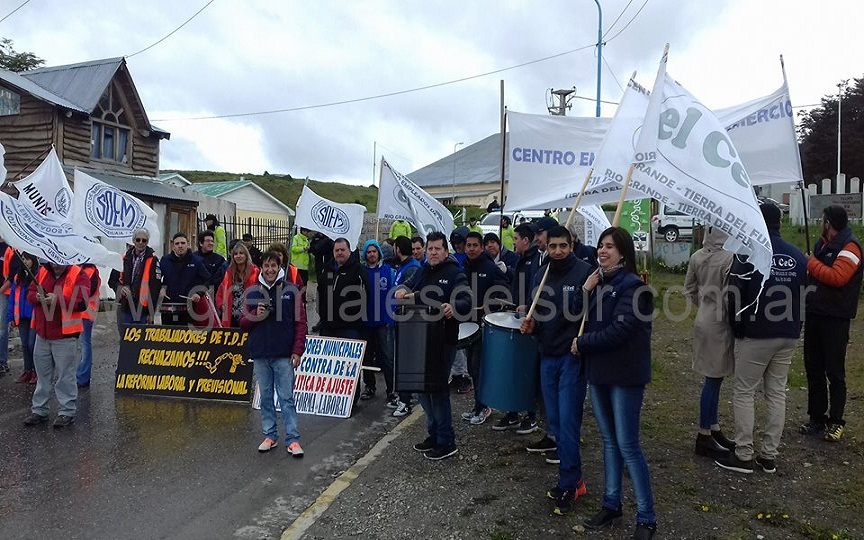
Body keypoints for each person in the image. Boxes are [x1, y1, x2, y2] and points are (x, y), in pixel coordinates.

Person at [574, 227, 657, 539]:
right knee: (609, 441)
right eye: (600, 246)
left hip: (625, 375)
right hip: (600, 374)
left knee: (628, 445)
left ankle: (647, 517)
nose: (602, 251)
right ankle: (612, 503)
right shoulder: (599, 283)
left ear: (624, 252)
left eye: (609, 246)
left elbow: (619, 332)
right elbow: (574, 315)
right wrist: (585, 289)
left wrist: (583, 344)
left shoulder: (635, 288)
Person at [716, 203, 806, 475]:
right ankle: (769, 456)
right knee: (776, 393)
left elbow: (733, 291)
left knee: (744, 391)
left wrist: (736, 326)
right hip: (788, 333)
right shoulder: (798, 256)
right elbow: (805, 293)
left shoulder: (749, 252)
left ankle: (744, 453)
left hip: (756, 333)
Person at [520, 226, 592, 515]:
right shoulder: (541, 274)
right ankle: (572, 479)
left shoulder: (586, 272)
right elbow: (538, 315)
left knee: (568, 422)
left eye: (564, 246)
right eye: (554, 247)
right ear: (546, 248)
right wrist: (531, 325)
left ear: (572, 245)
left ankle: (570, 482)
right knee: (555, 422)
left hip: (571, 357)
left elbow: (590, 313)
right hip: (547, 355)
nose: (559, 251)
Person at [395, 231, 472, 460]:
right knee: (422, 390)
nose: (433, 252)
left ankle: (447, 441)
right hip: (420, 339)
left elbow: (466, 300)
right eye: (430, 249)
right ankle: (434, 434)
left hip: (443, 341)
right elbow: (408, 287)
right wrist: (403, 291)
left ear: (446, 251)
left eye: (438, 248)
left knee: (438, 392)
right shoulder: (422, 270)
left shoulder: (455, 273)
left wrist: (453, 306)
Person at [802, 204, 863, 442]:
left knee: (834, 372)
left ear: (829, 223)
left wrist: (811, 263)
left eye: (822, 220)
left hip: (836, 318)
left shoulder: (850, 247)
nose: (819, 224)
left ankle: (836, 421)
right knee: (813, 368)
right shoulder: (822, 244)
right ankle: (816, 418)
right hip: (816, 313)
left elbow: (838, 277)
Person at [241, 251, 307, 457]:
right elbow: (242, 324)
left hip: (283, 354)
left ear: (280, 267)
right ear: (261, 267)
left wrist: (297, 350)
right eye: (266, 266)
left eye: (274, 266)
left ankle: (293, 439)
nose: (270, 270)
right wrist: (255, 316)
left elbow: (301, 323)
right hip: (261, 353)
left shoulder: (291, 290)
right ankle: (270, 436)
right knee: (266, 397)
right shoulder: (252, 291)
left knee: (287, 398)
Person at [683, 227, 736, 458]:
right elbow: (730, 294)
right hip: (720, 322)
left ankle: (713, 427)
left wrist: (703, 304)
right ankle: (704, 433)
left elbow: (689, 289)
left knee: (714, 377)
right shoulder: (730, 258)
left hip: (703, 318)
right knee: (713, 380)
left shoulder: (696, 256)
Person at [23, 262, 90, 428]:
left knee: (64, 376)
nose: (57, 264)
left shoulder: (78, 274)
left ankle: (66, 412)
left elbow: (82, 302)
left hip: (65, 336)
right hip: (42, 333)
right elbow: (30, 293)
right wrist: (36, 297)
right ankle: (39, 410)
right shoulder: (43, 272)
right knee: (43, 375)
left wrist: (57, 299)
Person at [495, 223, 541, 434]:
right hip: (517, 315)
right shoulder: (522, 259)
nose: (513, 242)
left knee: (526, 369)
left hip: (528, 319)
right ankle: (512, 411)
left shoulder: (536, 260)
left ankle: (531, 415)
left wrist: (529, 307)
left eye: (516, 238)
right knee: (513, 367)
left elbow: (536, 289)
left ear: (526, 240)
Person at [461, 231, 509, 425]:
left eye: (475, 245)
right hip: (466, 325)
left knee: (478, 367)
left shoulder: (490, 267)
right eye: (468, 245)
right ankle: (478, 405)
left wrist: (489, 307)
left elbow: (504, 290)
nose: (471, 249)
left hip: (484, 326)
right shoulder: (462, 267)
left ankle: (484, 406)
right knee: (472, 369)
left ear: (481, 247)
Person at [360, 240, 397, 404]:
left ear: (379, 253)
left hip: (383, 321)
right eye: (369, 252)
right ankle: (369, 386)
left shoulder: (388, 271)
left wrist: (391, 317)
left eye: (374, 251)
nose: (372, 254)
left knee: (387, 357)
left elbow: (393, 296)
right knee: (366, 358)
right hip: (366, 321)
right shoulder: (361, 272)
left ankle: (392, 389)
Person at [391, 236, 422, 417]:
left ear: (398, 249)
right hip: (399, 318)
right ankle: (403, 396)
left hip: (408, 320)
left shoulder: (412, 268)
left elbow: (408, 293)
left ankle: (406, 401)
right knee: (401, 360)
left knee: (406, 361)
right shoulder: (403, 266)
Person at [319, 238, 369, 341]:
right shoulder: (327, 270)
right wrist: (323, 315)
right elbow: (320, 293)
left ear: (349, 251)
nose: (339, 253)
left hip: (350, 328)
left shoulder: (358, 270)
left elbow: (366, 296)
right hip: (328, 328)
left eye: (342, 250)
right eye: (337, 250)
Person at [159, 232, 211, 326]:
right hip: (168, 307)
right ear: (173, 246)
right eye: (177, 243)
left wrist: (198, 293)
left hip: (189, 307)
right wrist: (161, 288)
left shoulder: (197, 261)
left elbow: (207, 280)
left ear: (188, 244)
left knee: (186, 338)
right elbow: (157, 278)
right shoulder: (164, 260)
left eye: (183, 243)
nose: (180, 246)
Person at [117, 229, 161, 327]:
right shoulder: (124, 258)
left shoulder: (153, 260)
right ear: (133, 241)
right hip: (126, 307)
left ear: (147, 242)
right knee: (125, 339)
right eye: (138, 240)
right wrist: (120, 288)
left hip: (143, 309)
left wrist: (151, 312)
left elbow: (155, 287)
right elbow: (112, 280)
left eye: (144, 240)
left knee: (141, 340)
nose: (141, 243)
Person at [9, 252, 38, 384]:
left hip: (33, 316)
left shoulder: (38, 276)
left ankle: (36, 371)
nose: (26, 262)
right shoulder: (18, 277)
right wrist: (11, 317)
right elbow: (12, 297)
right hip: (21, 315)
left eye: (28, 259)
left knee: (32, 344)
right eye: (24, 259)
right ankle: (28, 371)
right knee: (25, 345)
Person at [216, 243, 260, 328]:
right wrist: (221, 305)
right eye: (235, 254)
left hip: (248, 316)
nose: (238, 256)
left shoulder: (255, 271)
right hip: (230, 316)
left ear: (246, 255)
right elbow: (220, 292)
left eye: (241, 253)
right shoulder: (229, 272)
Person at [75, 263, 101, 388]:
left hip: (85, 313)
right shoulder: (80, 269)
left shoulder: (90, 271)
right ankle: (80, 375)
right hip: (78, 312)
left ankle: (82, 377)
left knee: (84, 345)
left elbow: (86, 292)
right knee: (81, 345)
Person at [0, 240, 19, 376]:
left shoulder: (10, 249)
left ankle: (2, 362)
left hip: (4, 293)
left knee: (1, 330)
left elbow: (12, 276)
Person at [309, 232, 334, 333]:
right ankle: (323, 319)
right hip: (320, 271)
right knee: (321, 297)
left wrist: (326, 241)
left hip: (330, 271)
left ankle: (328, 320)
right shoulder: (317, 239)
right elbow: (314, 249)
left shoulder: (330, 238)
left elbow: (329, 247)